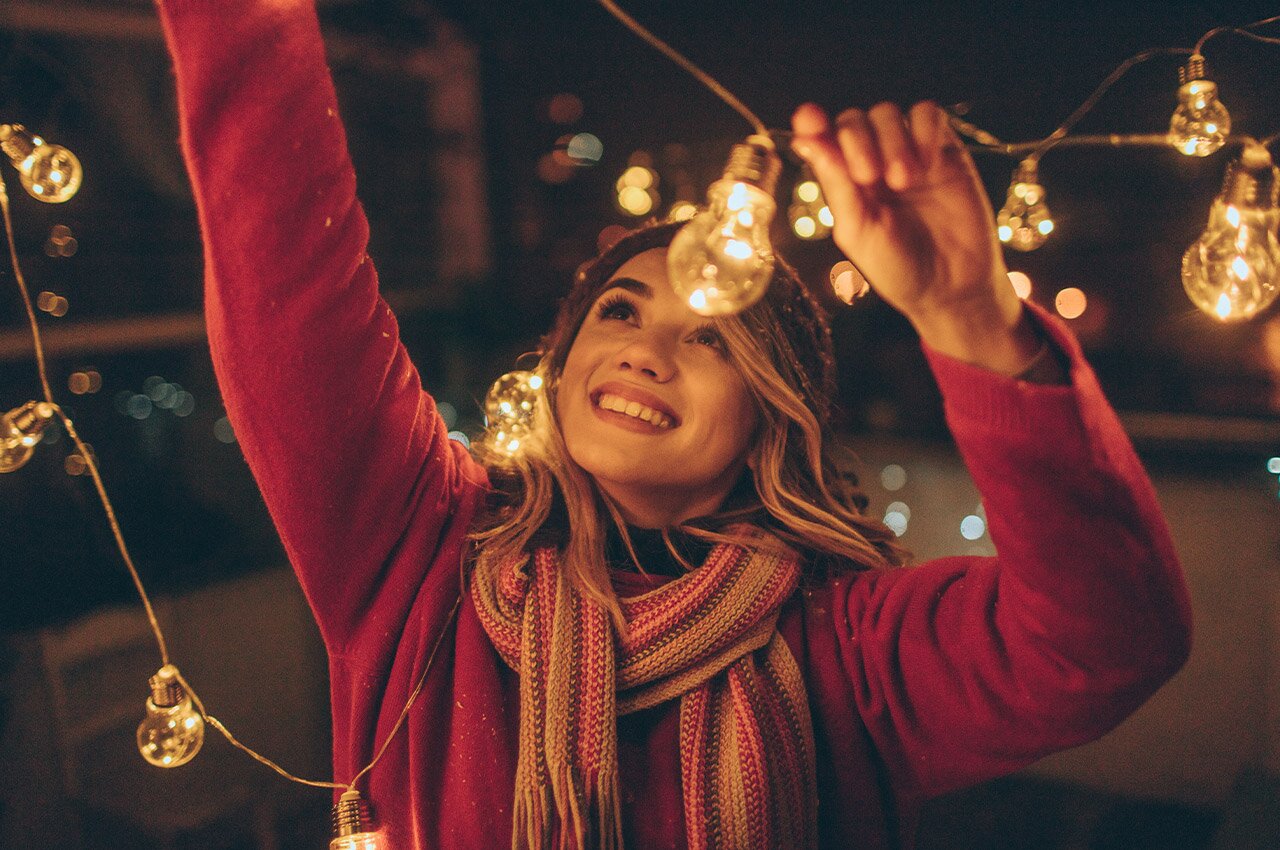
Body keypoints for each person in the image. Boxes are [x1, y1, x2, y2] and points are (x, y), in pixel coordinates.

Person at [155, 1, 1192, 847]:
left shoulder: (846, 649)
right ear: (561, 368)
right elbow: (287, 276)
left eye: (710, 337)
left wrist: (972, 319)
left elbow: (1104, 642)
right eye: (619, 309)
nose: (646, 347)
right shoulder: (420, 551)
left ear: (767, 415)